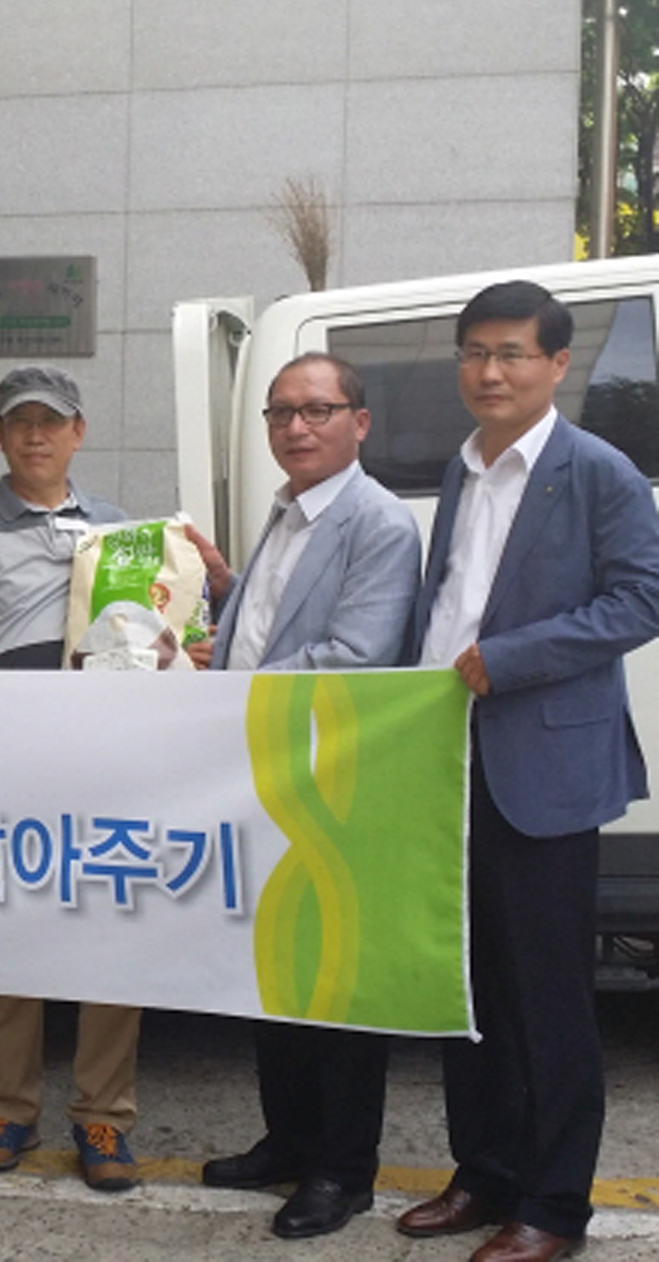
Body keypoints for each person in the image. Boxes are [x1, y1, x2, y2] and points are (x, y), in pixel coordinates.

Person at [396, 282, 659, 1262]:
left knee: (547, 1001)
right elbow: (451, 601)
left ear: (555, 364)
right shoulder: (462, 467)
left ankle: (553, 1206)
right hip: (447, 759)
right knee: (466, 986)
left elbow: (641, 599)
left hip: (542, 766)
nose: (490, 371)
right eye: (474, 352)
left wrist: (511, 657)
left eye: (511, 353)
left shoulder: (597, 470)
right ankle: (485, 1171)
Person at [189, 354, 421, 1240]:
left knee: (334, 982)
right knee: (274, 970)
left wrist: (227, 696)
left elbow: (355, 657)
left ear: (359, 422)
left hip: (331, 783)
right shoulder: (287, 511)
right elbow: (266, 631)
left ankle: (342, 1169)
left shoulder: (378, 522)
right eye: (281, 411)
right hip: (261, 768)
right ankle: (288, 1139)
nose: (296, 426)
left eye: (317, 410)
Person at [0, 365, 143, 1192]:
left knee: (109, 928)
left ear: (78, 432)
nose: (35, 435)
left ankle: (104, 1114)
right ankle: (7, 1108)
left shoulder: (120, 528)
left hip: (104, 754)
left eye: (51, 421)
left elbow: (151, 633)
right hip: (11, 751)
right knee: (10, 930)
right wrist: (18, 726)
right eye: (20, 422)